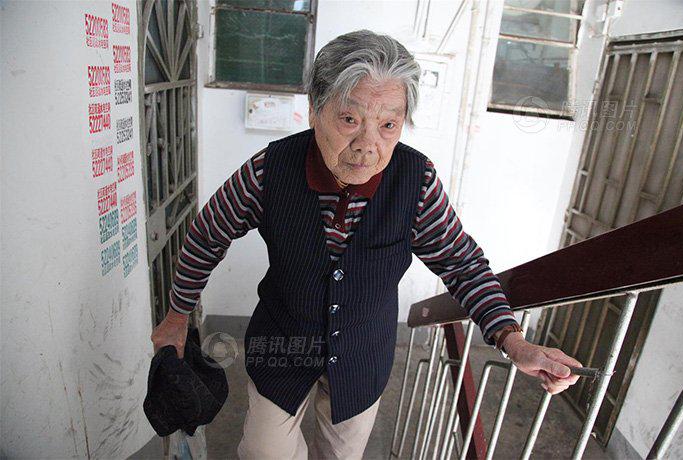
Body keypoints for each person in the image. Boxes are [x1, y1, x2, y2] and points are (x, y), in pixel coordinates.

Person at [151, 29, 582, 460]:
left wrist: (513, 341)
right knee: (264, 453)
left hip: (362, 359)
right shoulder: (270, 171)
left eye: (388, 125)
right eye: (349, 119)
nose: (367, 146)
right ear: (314, 109)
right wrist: (177, 315)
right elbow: (208, 234)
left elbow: (462, 265)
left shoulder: (416, 183)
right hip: (282, 349)